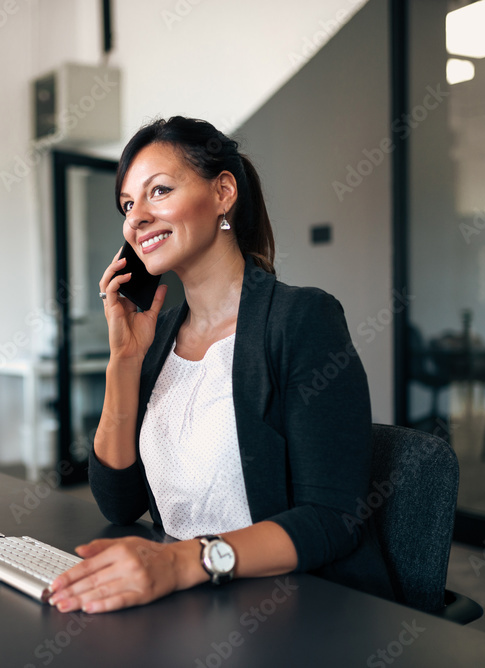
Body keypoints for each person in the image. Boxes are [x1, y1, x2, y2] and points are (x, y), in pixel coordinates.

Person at [47, 117, 395, 614]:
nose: (136, 218)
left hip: (294, 607)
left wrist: (183, 562)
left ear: (223, 192)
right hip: (193, 601)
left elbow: (332, 519)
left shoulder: (301, 320)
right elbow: (118, 503)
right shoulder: (159, 335)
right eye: (127, 205)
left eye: (158, 191)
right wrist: (124, 361)